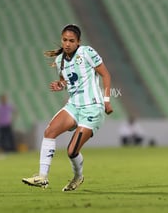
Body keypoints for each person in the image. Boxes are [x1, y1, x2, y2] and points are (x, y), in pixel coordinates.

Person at [22, 24, 113, 191]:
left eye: (72, 40)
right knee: (49, 132)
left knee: (71, 151)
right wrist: (61, 85)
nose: (67, 44)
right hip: (74, 106)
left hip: (92, 108)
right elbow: (70, 80)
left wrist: (106, 100)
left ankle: (78, 177)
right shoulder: (60, 60)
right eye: (65, 40)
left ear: (78, 42)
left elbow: (106, 74)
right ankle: (42, 177)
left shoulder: (86, 52)